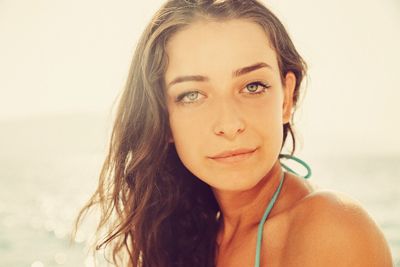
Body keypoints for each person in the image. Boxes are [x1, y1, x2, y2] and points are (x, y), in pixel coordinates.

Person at [73, 0, 393, 266]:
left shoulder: (331, 228)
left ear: (287, 96)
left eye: (253, 86)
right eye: (192, 95)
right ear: (163, 118)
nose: (228, 124)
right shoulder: (191, 237)